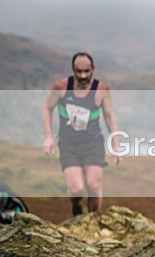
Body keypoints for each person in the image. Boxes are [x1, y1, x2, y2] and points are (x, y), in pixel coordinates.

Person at [42, 52, 120, 216]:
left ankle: (94, 220)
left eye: (87, 71)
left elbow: (109, 115)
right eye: (79, 71)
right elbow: (47, 108)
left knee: (93, 185)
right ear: (73, 69)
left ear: (93, 69)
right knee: (76, 189)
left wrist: (116, 144)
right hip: (69, 146)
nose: (83, 75)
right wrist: (49, 136)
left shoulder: (101, 89)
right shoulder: (61, 87)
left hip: (93, 144)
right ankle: (76, 208)